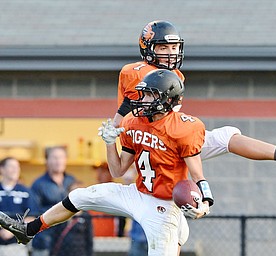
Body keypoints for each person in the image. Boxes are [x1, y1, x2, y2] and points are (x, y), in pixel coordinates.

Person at [0, 69, 214, 256]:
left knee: (227, 138)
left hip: (163, 206)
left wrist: (204, 204)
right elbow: (118, 170)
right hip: (137, 193)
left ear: (167, 99)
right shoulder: (134, 122)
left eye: (150, 94)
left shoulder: (185, 128)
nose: (143, 99)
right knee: (80, 196)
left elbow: (197, 174)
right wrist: (110, 143)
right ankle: (28, 230)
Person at [113, 20, 276, 172]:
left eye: (174, 47)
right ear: (147, 48)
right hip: (148, 141)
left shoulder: (175, 75)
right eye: (163, 47)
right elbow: (130, 118)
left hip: (165, 137)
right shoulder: (138, 71)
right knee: (222, 137)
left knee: (227, 136)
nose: (171, 52)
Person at [30, 146, 76, 256]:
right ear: (47, 160)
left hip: (68, 241)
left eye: (61, 157)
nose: (58, 161)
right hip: (45, 240)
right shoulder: (38, 184)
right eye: (54, 158)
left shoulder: (71, 180)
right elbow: (34, 212)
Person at [0, 157, 38, 256]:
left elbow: (32, 217)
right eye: (11, 166)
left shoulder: (25, 192)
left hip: (16, 246)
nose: (15, 169)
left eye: (17, 167)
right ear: (2, 169)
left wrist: (12, 230)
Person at [50, 180, 93, 256]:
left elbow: (89, 240)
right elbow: (54, 236)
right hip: (62, 252)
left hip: (80, 252)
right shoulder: (61, 213)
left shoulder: (86, 216)